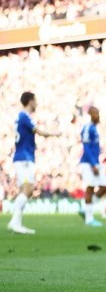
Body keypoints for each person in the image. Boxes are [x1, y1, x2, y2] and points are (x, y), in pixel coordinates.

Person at [7, 92, 60, 234]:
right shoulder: (24, 116)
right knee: (28, 190)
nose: (36, 103)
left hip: (23, 157)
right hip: (24, 158)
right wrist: (55, 134)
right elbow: (39, 132)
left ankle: (16, 223)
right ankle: (14, 222)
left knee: (24, 191)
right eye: (35, 100)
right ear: (30, 101)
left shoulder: (21, 117)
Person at [79, 107, 106, 227]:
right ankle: (89, 219)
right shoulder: (87, 128)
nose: (98, 115)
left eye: (98, 113)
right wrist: (92, 164)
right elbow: (85, 147)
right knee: (90, 187)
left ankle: (85, 209)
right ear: (90, 114)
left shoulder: (94, 128)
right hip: (88, 163)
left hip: (96, 162)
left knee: (105, 186)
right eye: (96, 113)